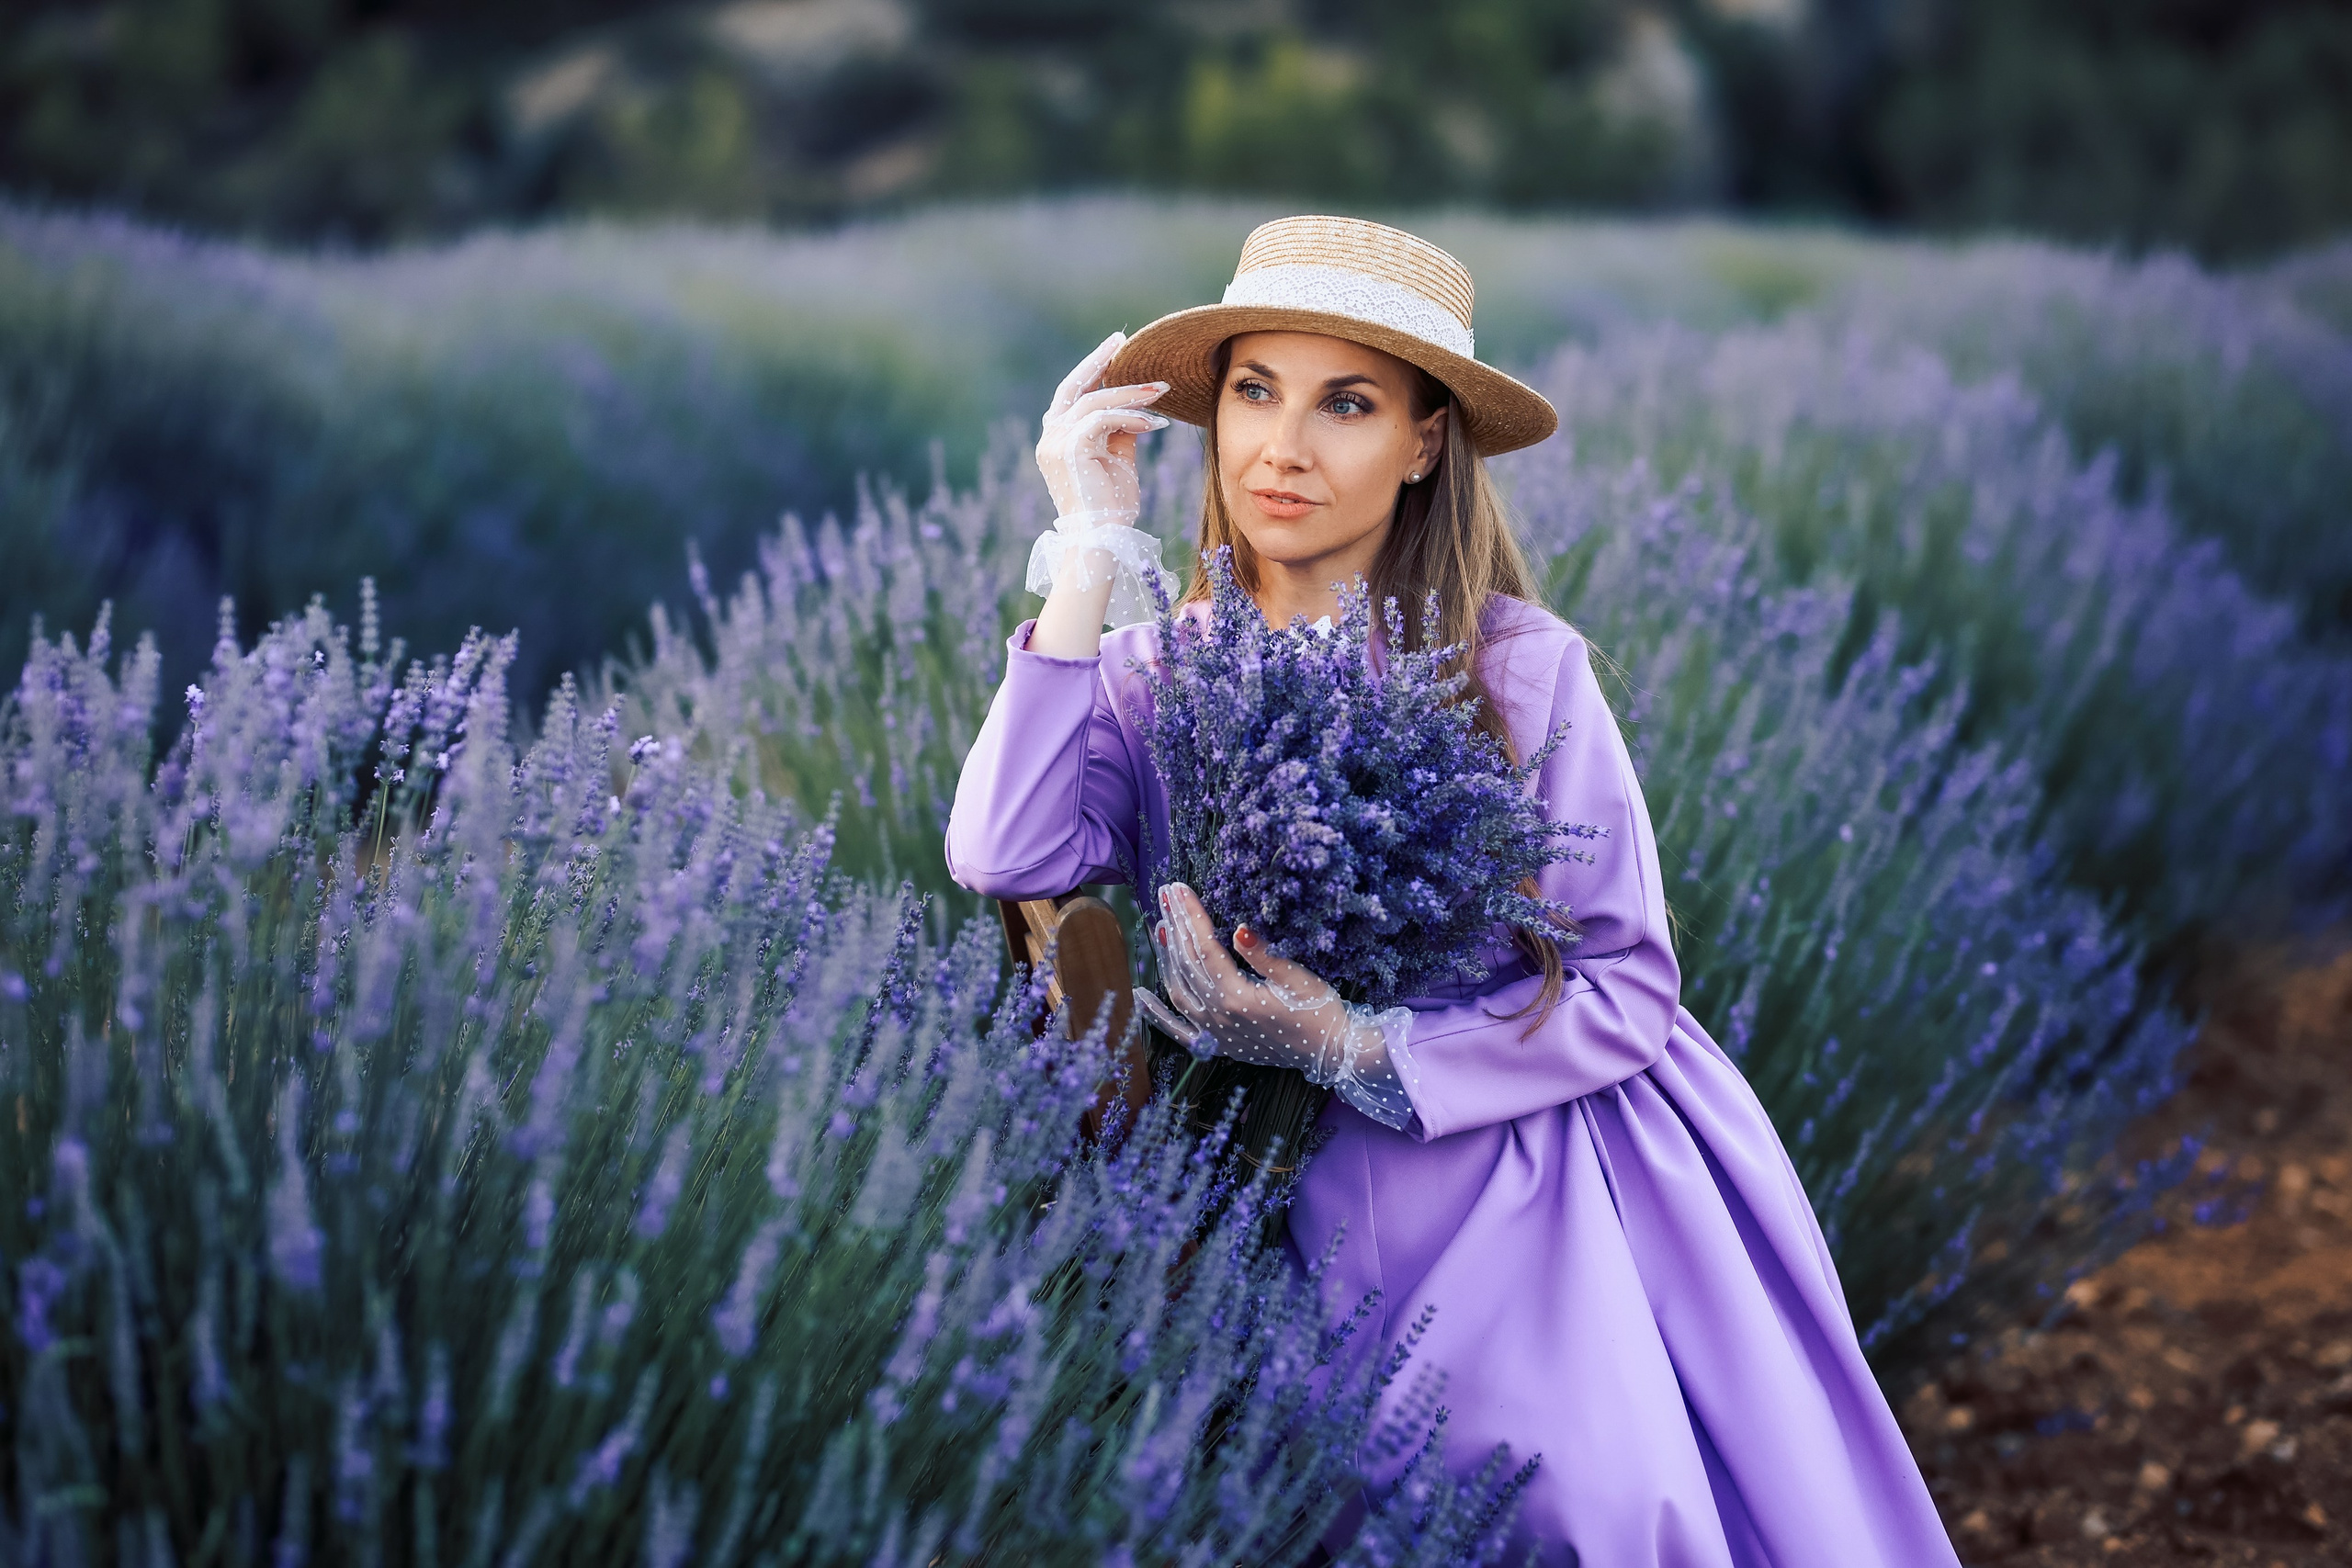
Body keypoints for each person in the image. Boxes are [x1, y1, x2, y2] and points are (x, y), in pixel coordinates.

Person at [944, 215, 1961, 1567]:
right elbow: (1006, 857)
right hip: (1256, 1189)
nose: (1282, 447)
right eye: (1255, 392)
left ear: (1426, 441)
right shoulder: (1156, 669)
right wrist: (1084, 545)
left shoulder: (1520, 668)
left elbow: (1627, 982)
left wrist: (1358, 1045)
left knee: (1578, 1510)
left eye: (1347, 404)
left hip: (1519, 1177)